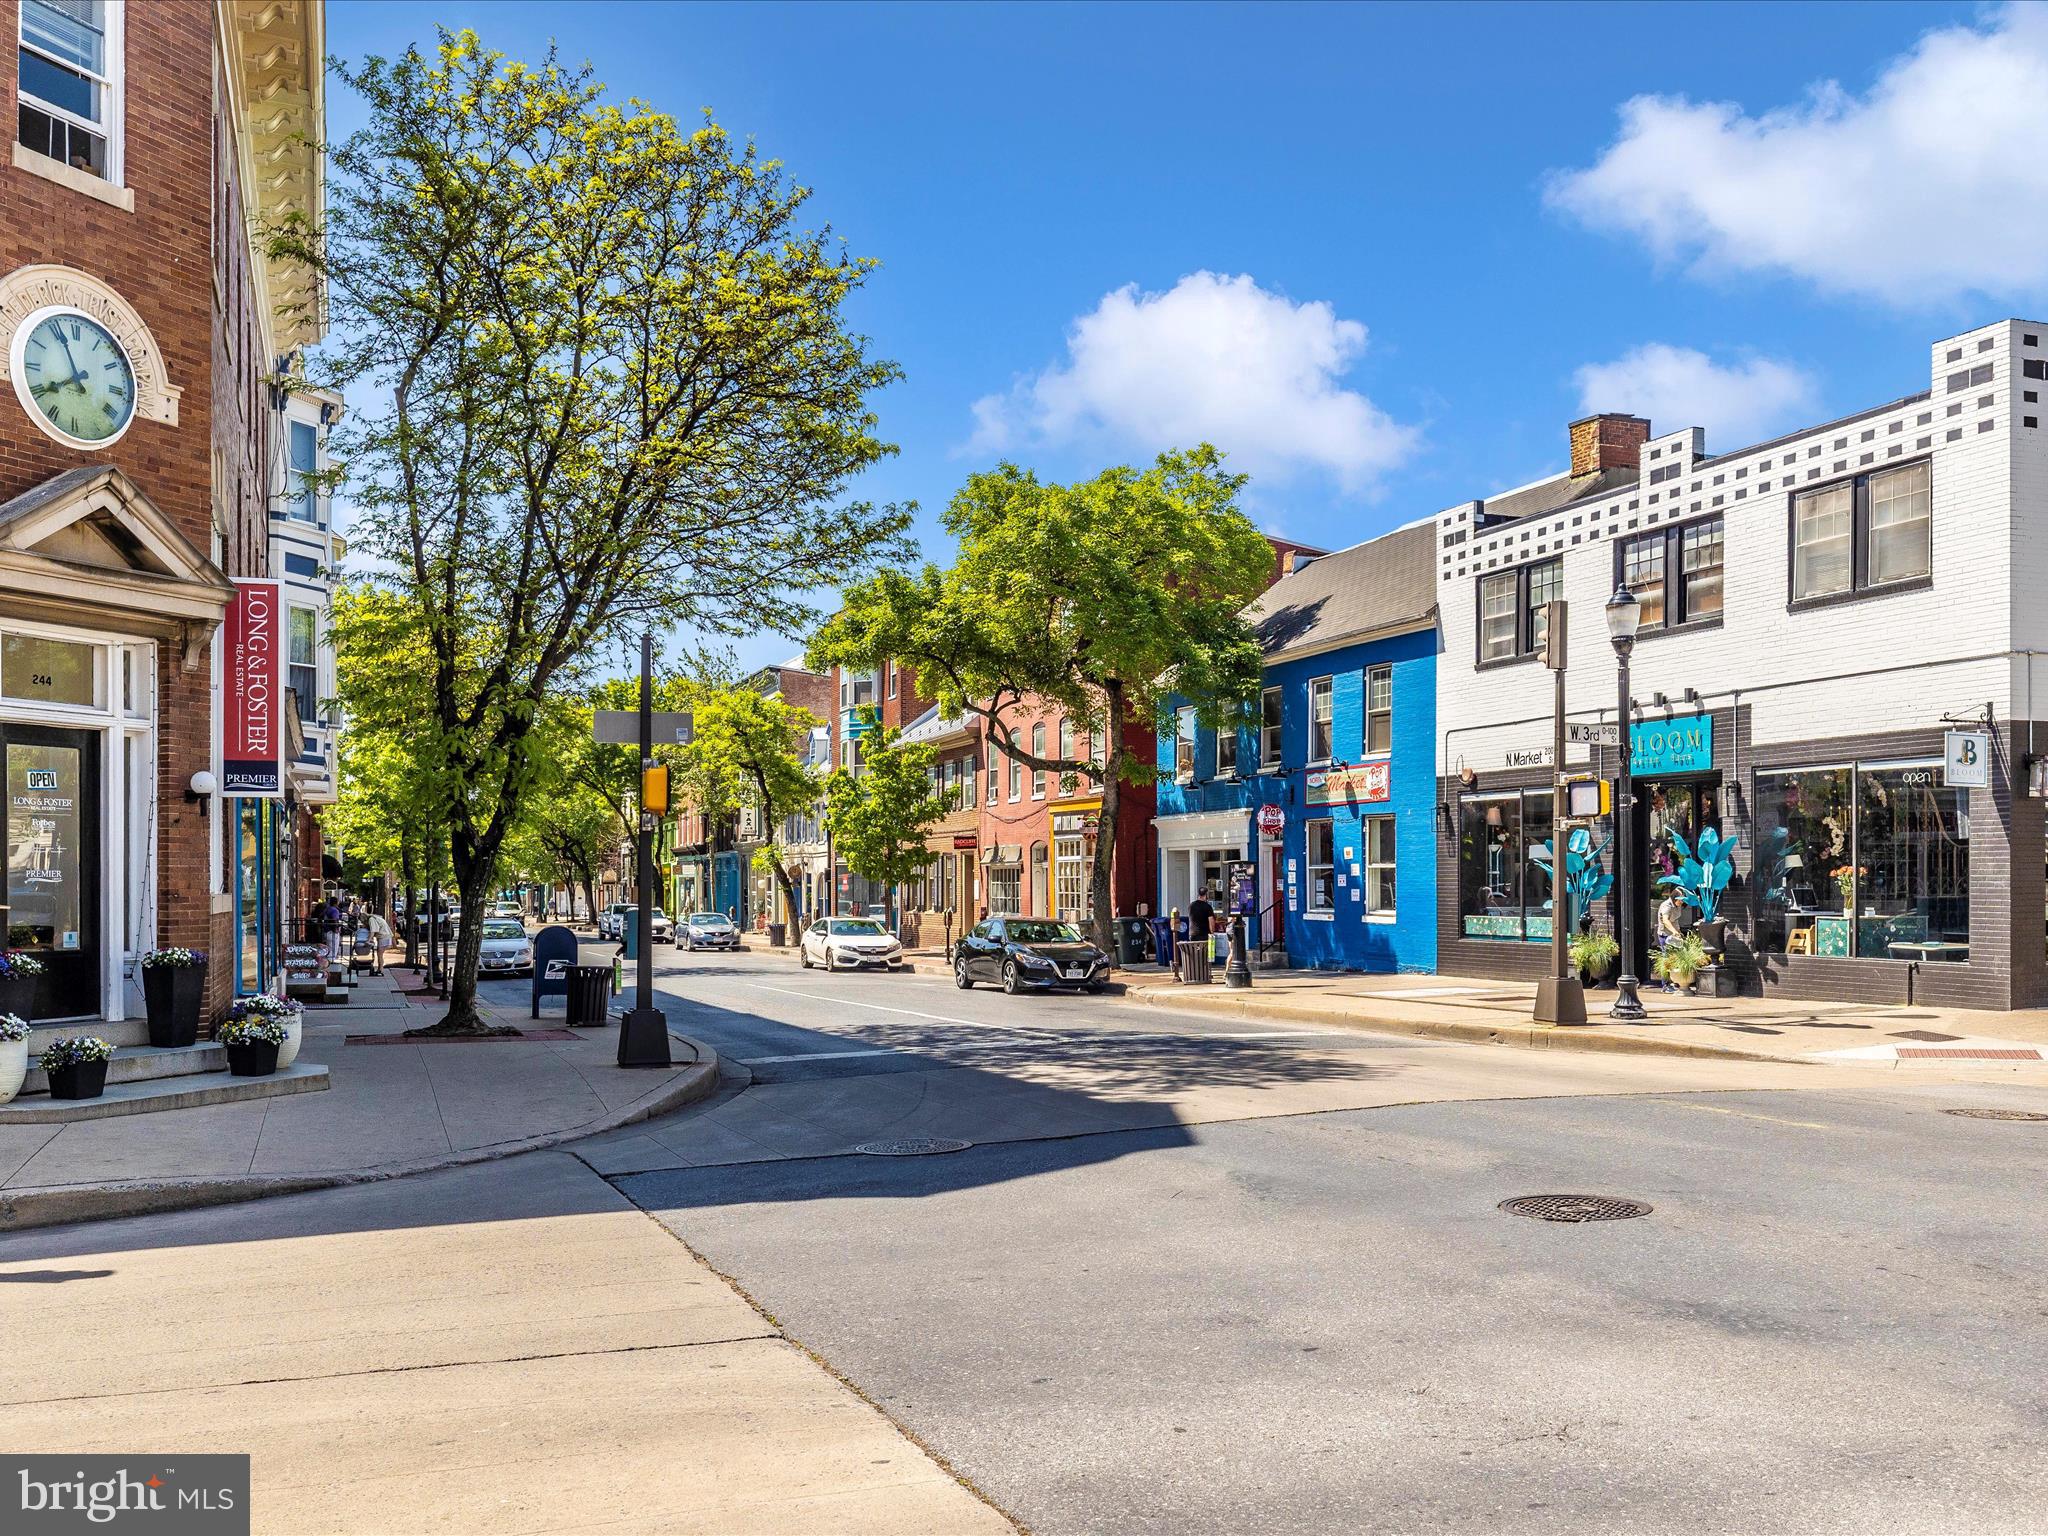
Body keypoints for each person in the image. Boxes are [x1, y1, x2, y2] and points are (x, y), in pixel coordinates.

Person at [367, 909, 392, 975]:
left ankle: (380, 969)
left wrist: (368, 940)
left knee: (380, 954)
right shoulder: (375, 918)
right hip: (386, 936)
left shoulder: (371, 919)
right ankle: (380, 969)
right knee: (380, 954)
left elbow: (373, 931)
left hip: (383, 937)